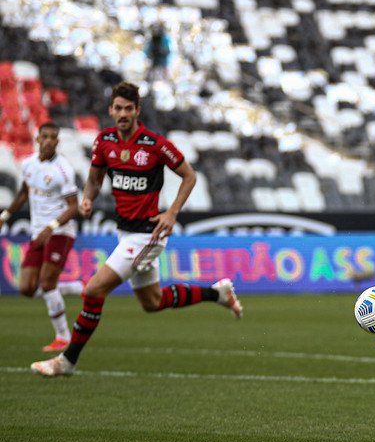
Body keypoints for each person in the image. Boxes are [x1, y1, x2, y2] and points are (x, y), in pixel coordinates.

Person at [31, 82, 242, 377]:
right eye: (118, 108)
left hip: (149, 233)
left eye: (128, 108)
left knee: (93, 290)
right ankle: (218, 294)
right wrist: (88, 198)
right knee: (152, 302)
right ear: (111, 110)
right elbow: (94, 178)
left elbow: (189, 176)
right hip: (125, 232)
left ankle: (67, 361)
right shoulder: (104, 141)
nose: (123, 114)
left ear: (137, 111)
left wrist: (171, 212)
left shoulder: (155, 145)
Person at [0, 122, 81, 352]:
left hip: (60, 232)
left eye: (52, 137)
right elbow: (25, 192)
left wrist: (52, 227)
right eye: (44, 136)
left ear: (57, 141)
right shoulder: (28, 164)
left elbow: (73, 207)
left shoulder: (64, 170)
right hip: (38, 232)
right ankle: (67, 288)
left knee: (46, 282)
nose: (48, 141)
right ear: (37, 139)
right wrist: (5, 215)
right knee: (26, 288)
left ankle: (63, 336)